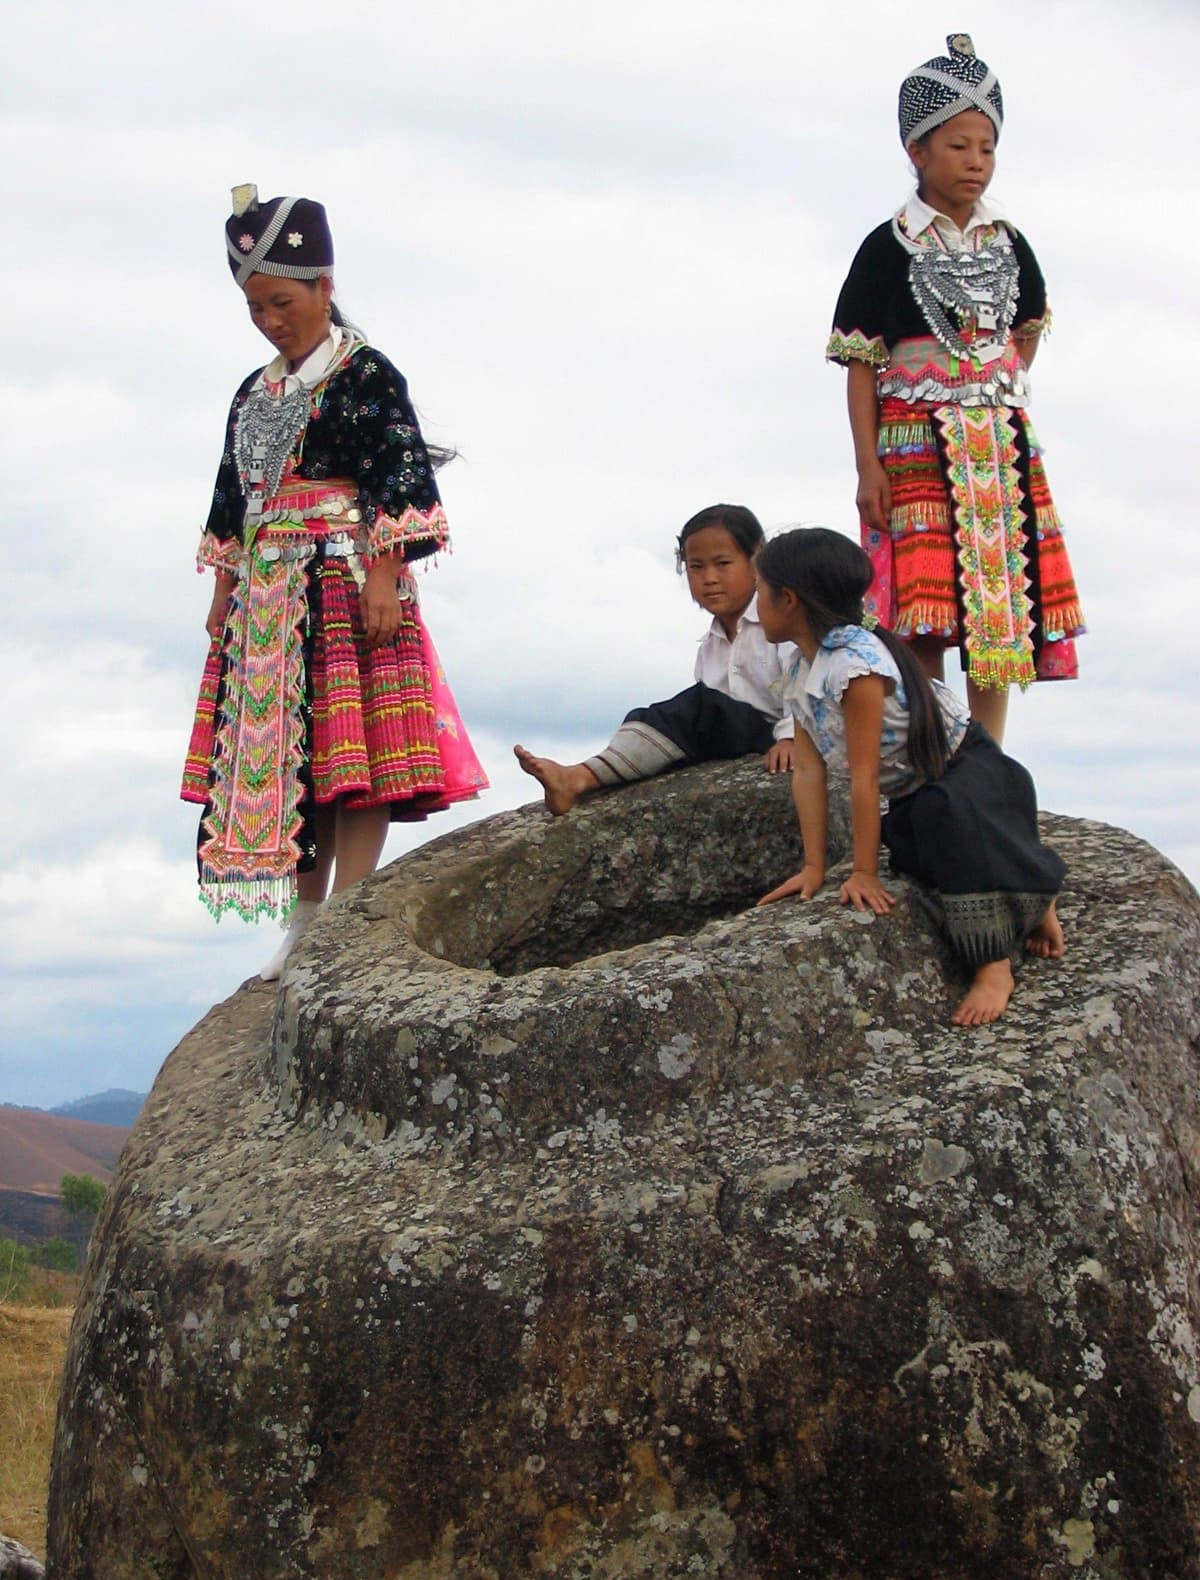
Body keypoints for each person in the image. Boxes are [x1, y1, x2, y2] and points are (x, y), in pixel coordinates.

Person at [181, 186, 487, 978]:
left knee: (359, 748)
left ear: (323, 285)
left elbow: (401, 475)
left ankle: (346, 916)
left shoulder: (366, 374)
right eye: (255, 308)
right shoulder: (253, 392)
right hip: (268, 592)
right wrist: (224, 592)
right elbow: (231, 495)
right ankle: (303, 919)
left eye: (282, 301)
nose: (270, 321)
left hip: (346, 574)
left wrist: (384, 574)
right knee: (292, 759)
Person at [826, 34, 1085, 746]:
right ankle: (932, 748)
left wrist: (985, 381)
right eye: (959, 146)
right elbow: (860, 364)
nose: (976, 162)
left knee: (997, 612)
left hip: (997, 445)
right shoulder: (888, 247)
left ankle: (988, 762)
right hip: (912, 441)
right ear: (917, 151)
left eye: (987, 148)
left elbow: (1025, 332)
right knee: (923, 614)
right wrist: (867, 464)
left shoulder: (1009, 243)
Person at [756, 527, 1066, 1027]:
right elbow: (809, 771)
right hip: (919, 791)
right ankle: (1033, 895)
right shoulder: (801, 670)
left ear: (788, 599)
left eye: (760, 591)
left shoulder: (856, 667)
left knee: (952, 837)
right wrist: (814, 867)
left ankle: (994, 963)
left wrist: (863, 872)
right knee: (912, 849)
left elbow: (863, 777)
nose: (757, 604)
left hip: (974, 777)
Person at [515, 504, 797, 815]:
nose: (709, 578)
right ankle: (596, 775)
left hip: (774, 737)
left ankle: (579, 778)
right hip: (734, 743)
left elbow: (803, 686)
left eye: (723, 563)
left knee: (698, 707)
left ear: (757, 562)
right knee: (650, 717)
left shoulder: (781, 624)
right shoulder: (710, 646)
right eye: (696, 567)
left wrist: (790, 739)